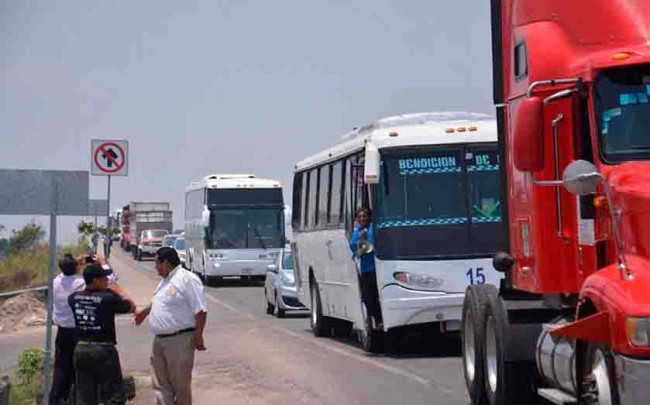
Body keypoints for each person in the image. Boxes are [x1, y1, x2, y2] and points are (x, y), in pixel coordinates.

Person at [134, 247, 207, 405]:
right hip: (159, 340)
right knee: (160, 384)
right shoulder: (165, 281)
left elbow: (200, 311)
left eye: (157, 263)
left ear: (165, 263)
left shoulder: (187, 279)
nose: (155, 267)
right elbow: (160, 302)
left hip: (179, 340)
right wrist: (144, 313)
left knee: (180, 385)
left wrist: (198, 336)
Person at [69, 263, 135, 405]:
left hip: (81, 350)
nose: (107, 282)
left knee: (85, 396)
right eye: (105, 279)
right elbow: (130, 306)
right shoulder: (109, 298)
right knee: (114, 395)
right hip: (103, 350)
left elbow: (80, 295)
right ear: (95, 281)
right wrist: (116, 290)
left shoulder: (73, 298)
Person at [49, 254, 85, 405]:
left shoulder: (55, 282)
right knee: (79, 369)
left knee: (61, 368)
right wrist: (80, 266)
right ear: (76, 267)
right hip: (78, 331)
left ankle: (56, 399)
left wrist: (75, 264)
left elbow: (61, 274)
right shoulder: (81, 282)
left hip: (62, 331)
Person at [349, 207, 383, 330]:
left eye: (364, 216)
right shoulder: (356, 233)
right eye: (360, 217)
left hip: (379, 268)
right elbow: (355, 252)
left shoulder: (374, 229)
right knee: (368, 297)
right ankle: (379, 319)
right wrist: (361, 239)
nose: (362, 219)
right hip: (366, 270)